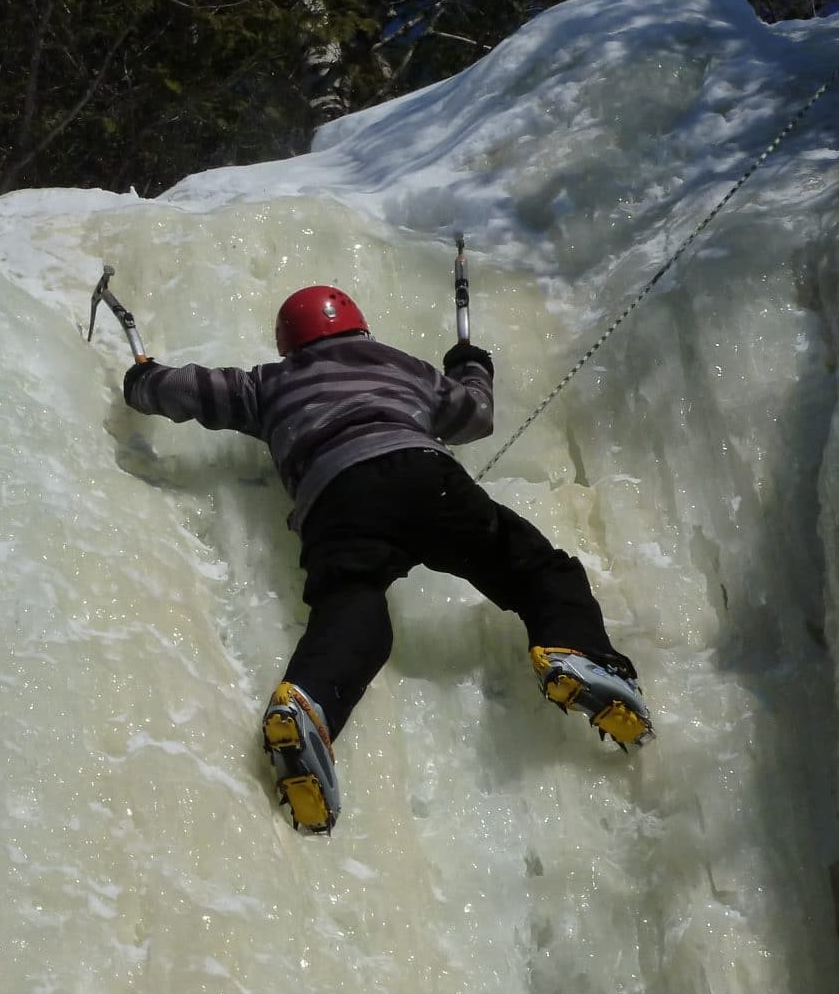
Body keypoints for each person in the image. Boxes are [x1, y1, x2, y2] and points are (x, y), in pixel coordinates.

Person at [122, 284, 652, 833]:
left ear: (289, 343)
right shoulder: (404, 367)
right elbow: (475, 416)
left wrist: (143, 382)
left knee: (354, 612)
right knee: (537, 569)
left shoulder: (268, 382)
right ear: (359, 327)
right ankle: (573, 651)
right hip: (424, 475)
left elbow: (191, 391)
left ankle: (309, 705)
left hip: (337, 498)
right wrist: (471, 365)